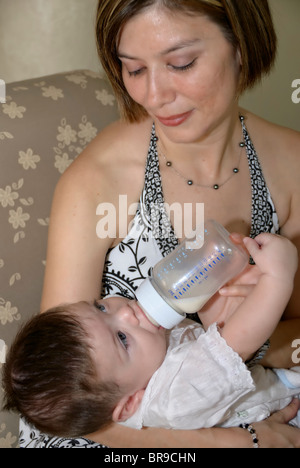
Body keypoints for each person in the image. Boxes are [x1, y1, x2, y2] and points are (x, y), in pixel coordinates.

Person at [22, 0, 300, 448]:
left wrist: (247, 330)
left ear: (241, 45)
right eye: (133, 70)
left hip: (247, 402)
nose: (154, 96)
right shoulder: (99, 179)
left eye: (181, 63)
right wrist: (237, 442)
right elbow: (66, 400)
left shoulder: (291, 168)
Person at [5, 233, 299, 443]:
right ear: (132, 403)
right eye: (121, 338)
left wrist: (215, 302)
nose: (125, 313)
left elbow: (215, 343)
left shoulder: (142, 364)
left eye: (101, 307)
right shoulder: (176, 398)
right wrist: (277, 277)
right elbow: (239, 342)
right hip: (282, 413)